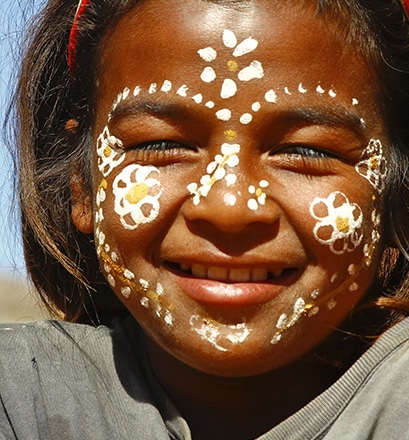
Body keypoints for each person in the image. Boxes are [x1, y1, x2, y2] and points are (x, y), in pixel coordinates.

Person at [2, 0, 409, 438]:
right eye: (159, 145)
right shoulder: (20, 398)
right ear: (81, 183)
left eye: (305, 151)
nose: (229, 209)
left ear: (398, 196)